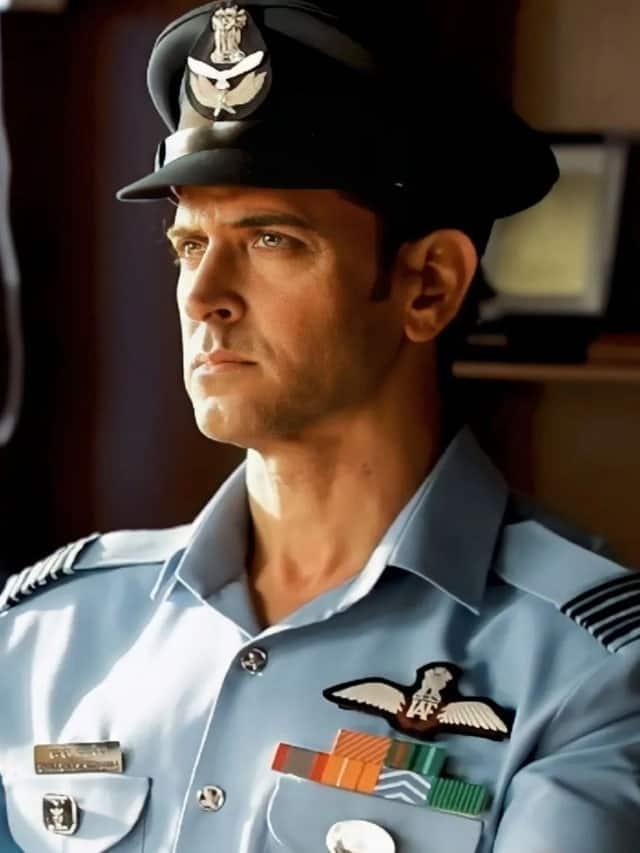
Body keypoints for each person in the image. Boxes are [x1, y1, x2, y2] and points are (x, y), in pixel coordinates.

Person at [1, 2, 639, 851]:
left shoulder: (589, 669)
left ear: (428, 286)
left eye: (271, 239)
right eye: (189, 245)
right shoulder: (47, 631)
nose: (203, 295)